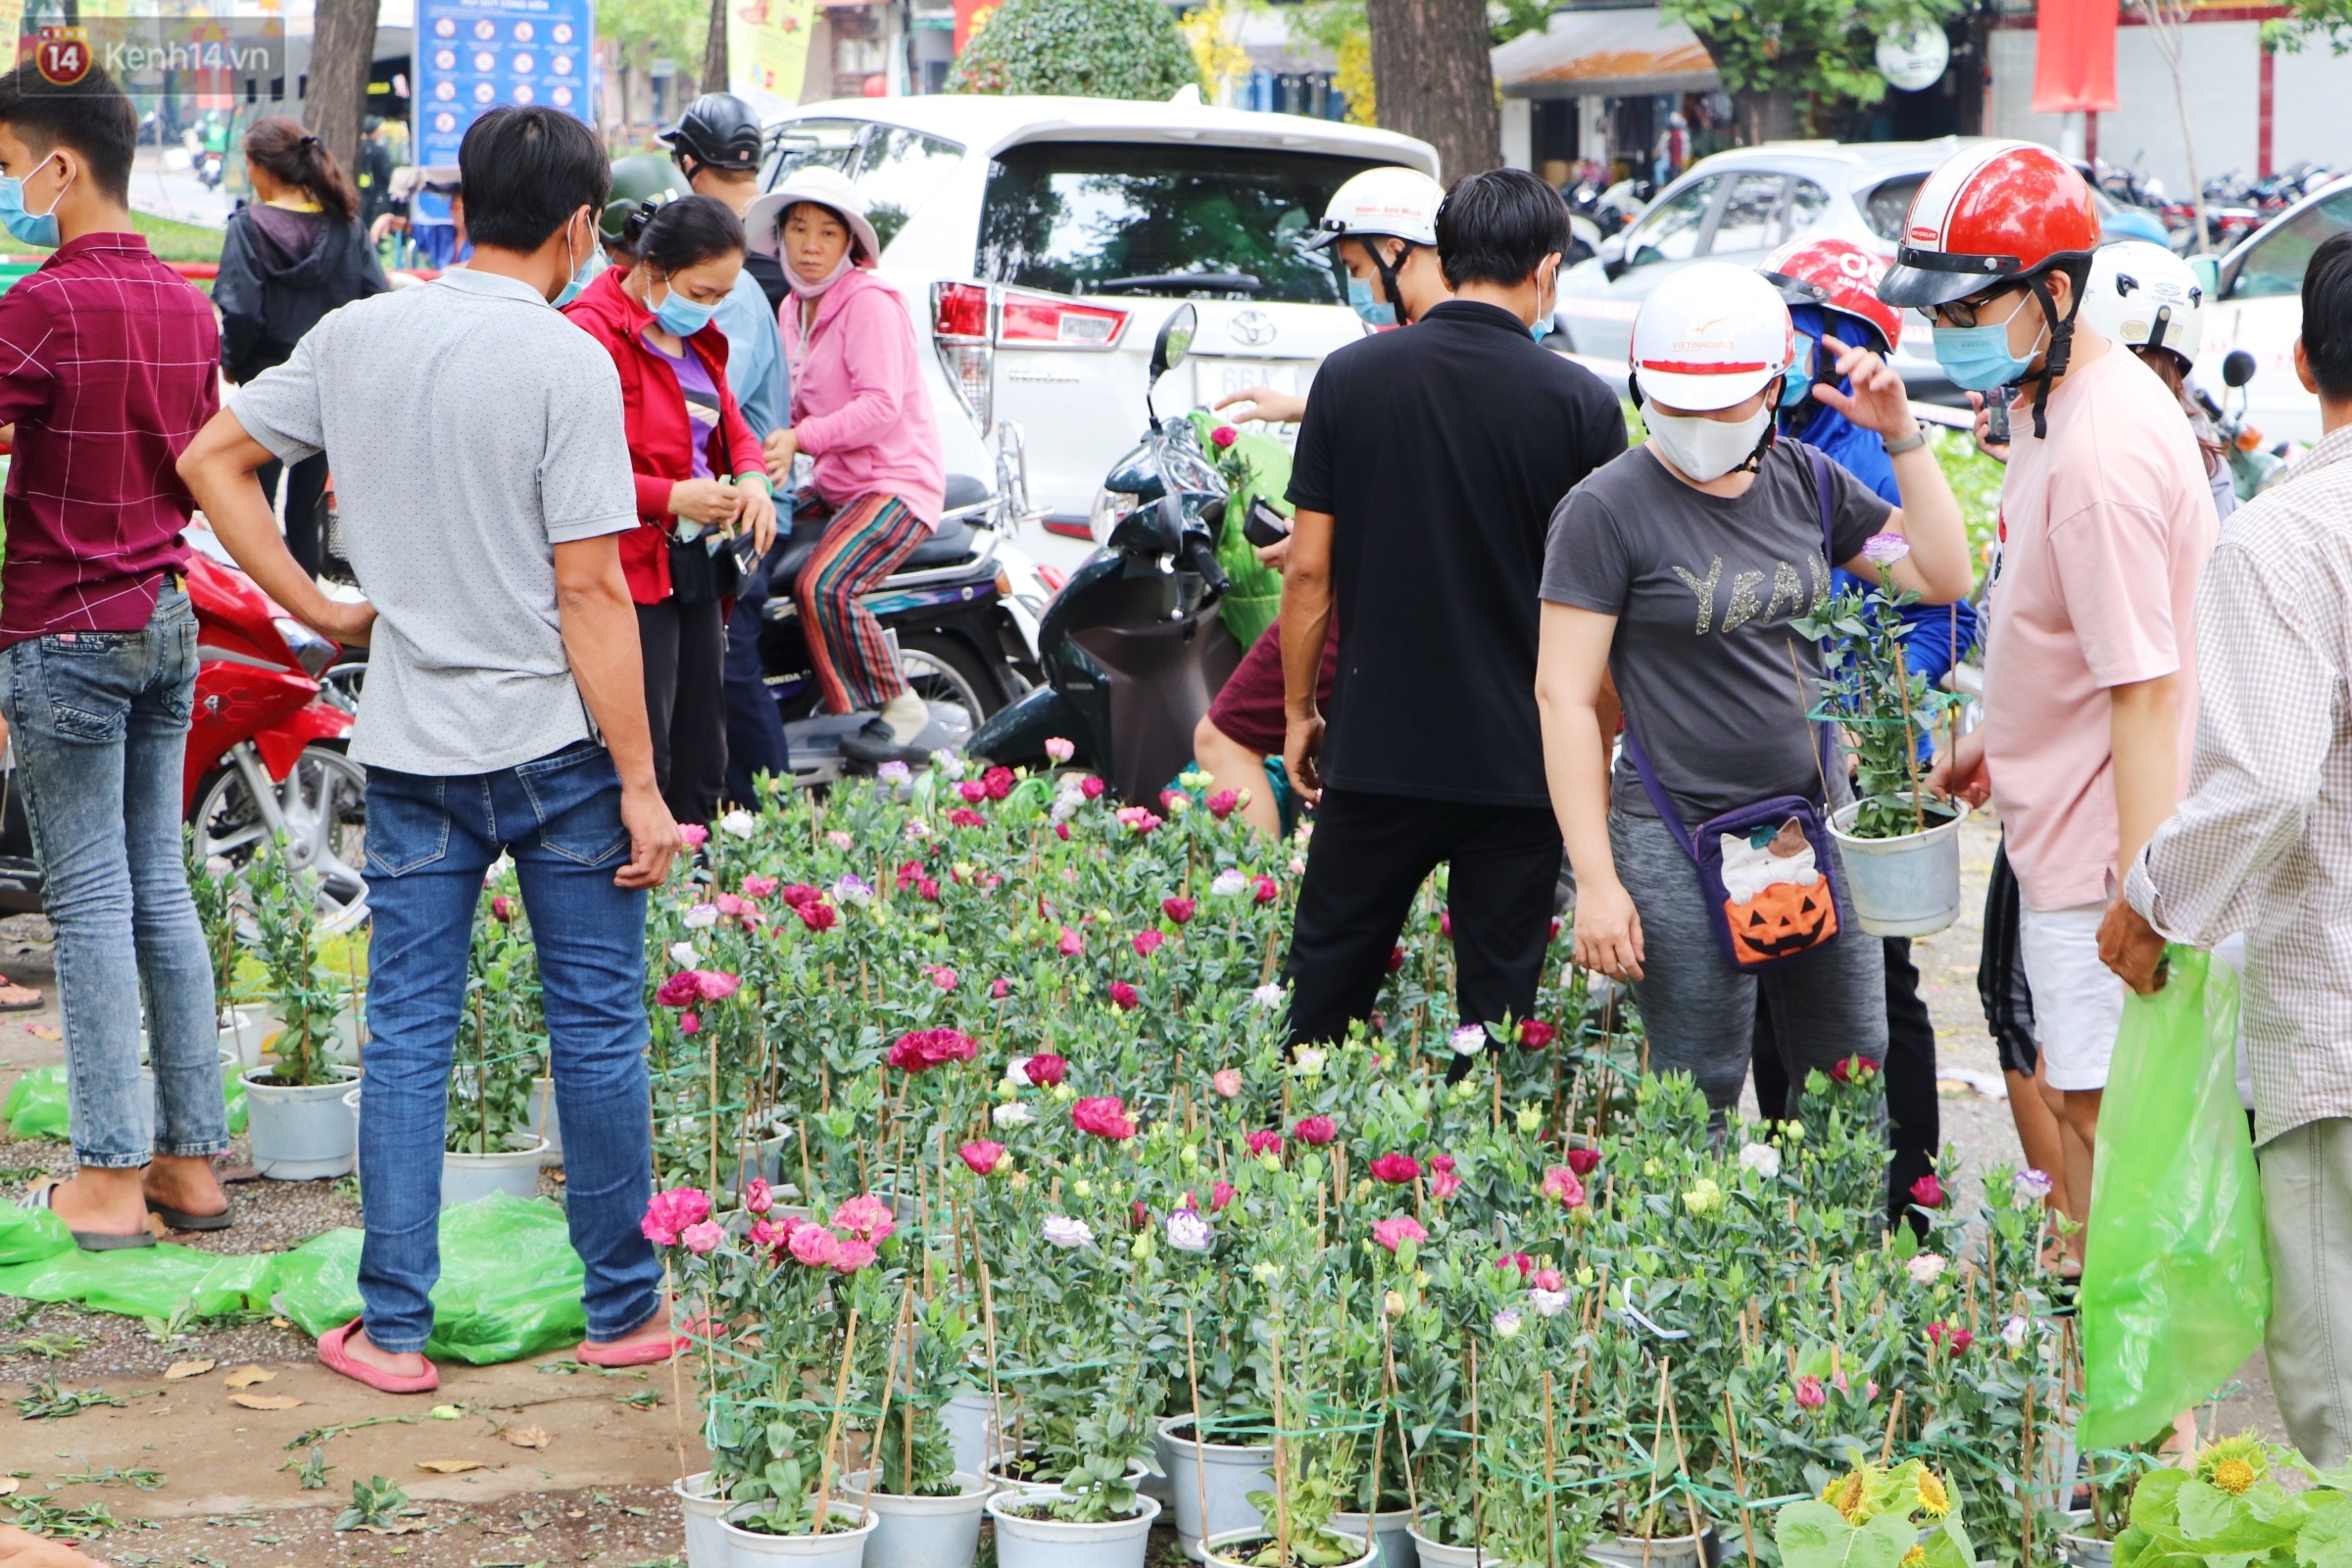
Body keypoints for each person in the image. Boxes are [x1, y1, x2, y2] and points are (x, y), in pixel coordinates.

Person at [179, 105, 684, 1393]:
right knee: (596, 1029)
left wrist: (317, 604)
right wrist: (640, 784)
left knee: (407, 1035)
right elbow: (591, 593)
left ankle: (393, 1330)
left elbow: (212, 458)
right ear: (579, 226)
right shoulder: (566, 358)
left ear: (456, 210)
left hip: (410, 745)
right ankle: (624, 1311)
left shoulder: (361, 334)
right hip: (559, 749)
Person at [1537, 262, 1972, 1118]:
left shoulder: (1808, 486)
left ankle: (1843, 1245)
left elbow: (1940, 573)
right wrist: (1596, 878)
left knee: (1847, 1067)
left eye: (1726, 401)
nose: (1701, 421)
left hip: (1812, 828)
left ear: (1773, 390)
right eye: (1678, 401)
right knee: (1692, 1082)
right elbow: (1563, 696)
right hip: (1671, 834)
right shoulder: (1604, 512)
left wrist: (1902, 437)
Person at [1895, 142, 2218, 1271]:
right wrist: (2003, 735)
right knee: (2091, 1125)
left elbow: (2147, 685)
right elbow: (2077, 640)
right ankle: (2123, 1414)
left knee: (2106, 1130)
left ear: (2058, 293)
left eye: (1974, 303)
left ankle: (2155, 1429)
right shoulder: (2051, 403)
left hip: (2099, 866)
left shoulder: (2096, 453)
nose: (1950, 329)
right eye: (1941, 307)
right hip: (2066, 832)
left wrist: (2144, 896)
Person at [2100, 231, 2352, 1468]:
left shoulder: (2292, 537)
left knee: (2343, 1411)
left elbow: (2264, 780)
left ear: (2304, 362)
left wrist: (2152, 900)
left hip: (2336, 1027)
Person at [1281, 169, 1625, 1071]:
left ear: (1446, 255)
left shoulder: (1350, 377)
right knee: (1495, 1022)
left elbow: (1309, 570)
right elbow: (1604, 606)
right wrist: (1604, 741)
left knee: (1320, 1003)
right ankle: (1470, 1189)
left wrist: (1298, 712)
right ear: (1546, 272)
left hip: (1377, 751)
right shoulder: (1582, 405)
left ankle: (1303, 1178)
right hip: (1518, 765)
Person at [0, 64, 228, 1250]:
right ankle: (190, 1161)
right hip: (166, 616)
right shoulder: (192, 306)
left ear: (62, 166)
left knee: (88, 898)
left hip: (66, 628)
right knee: (157, 885)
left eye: (9, 167)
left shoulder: (39, 306)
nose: (11, 190)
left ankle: (103, 1180)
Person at [1747, 236, 1978, 1219]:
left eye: (1809, 330)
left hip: (1865, 773)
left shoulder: (1854, 457)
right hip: (1770, 770)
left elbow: (1942, 604)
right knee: (1766, 962)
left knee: (1882, 987)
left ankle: (1906, 1194)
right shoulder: (1758, 440)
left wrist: (1876, 700)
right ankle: (1802, 1185)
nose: (1794, 349)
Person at [1194, 167, 1450, 837]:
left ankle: (1256, 907)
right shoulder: (1464, 353)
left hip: (1359, 608)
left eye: (1360, 268)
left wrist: (1298, 708)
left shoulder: (1388, 360)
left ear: (1402, 253)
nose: (1359, 289)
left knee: (1220, 738)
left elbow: (1324, 559)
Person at [565, 196, 778, 828]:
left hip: (695, 564)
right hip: (628, 570)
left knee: (701, 749)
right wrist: (672, 496)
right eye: (701, 291)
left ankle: (695, 894)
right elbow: (572, 473)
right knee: (644, 751)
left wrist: (755, 482)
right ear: (654, 266)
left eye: (722, 297)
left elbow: (733, 424)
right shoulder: (589, 331)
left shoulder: (698, 337)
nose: (710, 308)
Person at [747, 167, 946, 769]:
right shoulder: (792, 310)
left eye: (827, 233)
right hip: (837, 486)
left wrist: (800, 438)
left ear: (849, 245)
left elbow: (880, 408)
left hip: (896, 485)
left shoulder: (869, 304)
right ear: (778, 239)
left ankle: (897, 703)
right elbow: (789, 403)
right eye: (798, 230)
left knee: (823, 584)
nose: (810, 246)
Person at [660, 95, 795, 805]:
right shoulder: (728, 247)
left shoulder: (722, 274)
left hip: (737, 509)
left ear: (687, 163)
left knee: (724, 664)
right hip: (702, 500)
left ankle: (766, 826)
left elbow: (710, 411)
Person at [213, 116, 388, 578]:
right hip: (328, 387)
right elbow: (377, 299)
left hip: (266, 386)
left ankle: (266, 614)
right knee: (306, 508)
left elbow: (243, 309)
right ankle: (312, 620)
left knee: (256, 504)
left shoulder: (249, 228)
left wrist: (232, 360)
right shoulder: (348, 227)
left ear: (260, 167)